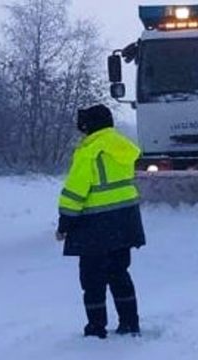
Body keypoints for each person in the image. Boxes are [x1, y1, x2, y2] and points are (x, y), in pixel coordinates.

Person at [56, 104, 146, 339]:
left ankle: (96, 329)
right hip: (125, 221)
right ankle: (130, 324)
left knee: (92, 279)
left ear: (90, 126)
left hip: (95, 225)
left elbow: (75, 192)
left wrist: (64, 223)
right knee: (119, 273)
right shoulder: (122, 147)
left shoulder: (89, 152)